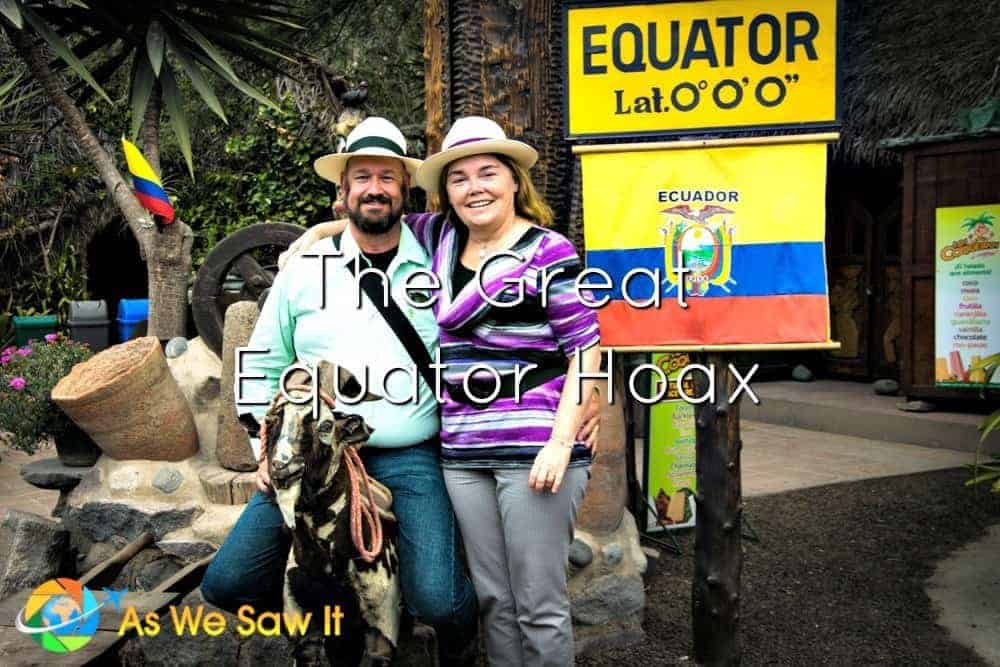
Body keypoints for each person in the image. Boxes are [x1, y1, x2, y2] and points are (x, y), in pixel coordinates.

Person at [287, 116, 602, 666]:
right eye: (459, 179)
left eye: (488, 173)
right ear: (444, 194)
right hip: (462, 453)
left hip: (534, 452)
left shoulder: (549, 253)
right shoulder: (438, 239)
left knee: (538, 603)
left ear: (513, 183)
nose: (474, 187)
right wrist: (310, 238)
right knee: (494, 601)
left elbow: (587, 352)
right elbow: (362, 227)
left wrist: (562, 438)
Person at [199, 117, 480, 665]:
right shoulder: (303, 270)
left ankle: (462, 641)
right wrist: (263, 440)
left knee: (441, 604)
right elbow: (262, 361)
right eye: (362, 177)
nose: (375, 188)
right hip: (312, 456)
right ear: (343, 192)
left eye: (388, 177)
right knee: (227, 583)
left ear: (406, 189)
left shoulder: (441, 261)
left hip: (409, 453)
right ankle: (337, 622)